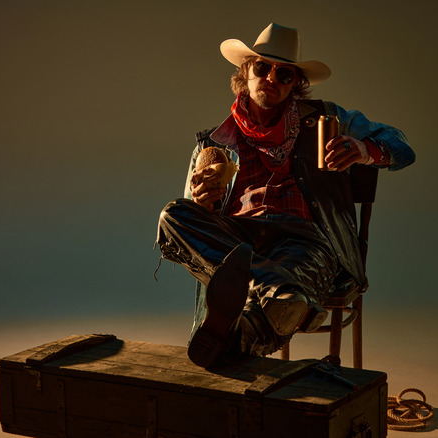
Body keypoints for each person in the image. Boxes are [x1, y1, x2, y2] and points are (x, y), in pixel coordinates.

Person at [155, 23, 415, 368]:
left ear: (296, 85)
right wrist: (202, 202)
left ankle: (244, 327)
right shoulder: (214, 143)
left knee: (284, 288)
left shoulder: (328, 119)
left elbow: (402, 147)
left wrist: (364, 149)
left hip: (303, 239)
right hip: (239, 242)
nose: (271, 79)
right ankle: (276, 287)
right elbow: (197, 213)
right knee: (173, 215)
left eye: (285, 75)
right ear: (245, 73)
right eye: (262, 68)